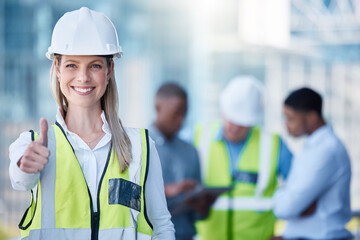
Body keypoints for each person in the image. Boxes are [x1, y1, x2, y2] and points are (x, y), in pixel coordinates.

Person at [8, 7, 174, 240]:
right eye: (72, 65)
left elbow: (161, 227)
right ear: (57, 68)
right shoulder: (33, 144)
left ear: (109, 70)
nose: (83, 77)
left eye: (95, 65)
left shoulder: (140, 147)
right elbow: (20, 179)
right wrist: (26, 165)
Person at [193, 75, 293, 240]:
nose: (235, 127)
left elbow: (302, 192)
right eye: (231, 119)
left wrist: (288, 234)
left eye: (242, 122)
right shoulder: (197, 137)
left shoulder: (274, 144)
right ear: (222, 110)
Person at [272, 87, 353, 240]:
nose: (286, 125)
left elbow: (287, 208)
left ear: (312, 117)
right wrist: (289, 197)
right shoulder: (313, 147)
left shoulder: (326, 150)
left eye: (291, 119)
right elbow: (293, 203)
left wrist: (281, 195)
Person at [148, 83, 202, 240]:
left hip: (186, 234)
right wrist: (168, 190)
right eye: (176, 113)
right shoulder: (138, 146)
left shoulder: (191, 151)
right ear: (158, 107)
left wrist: (201, 204)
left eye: (185, 113)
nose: (181, 119)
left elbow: (200, 214)